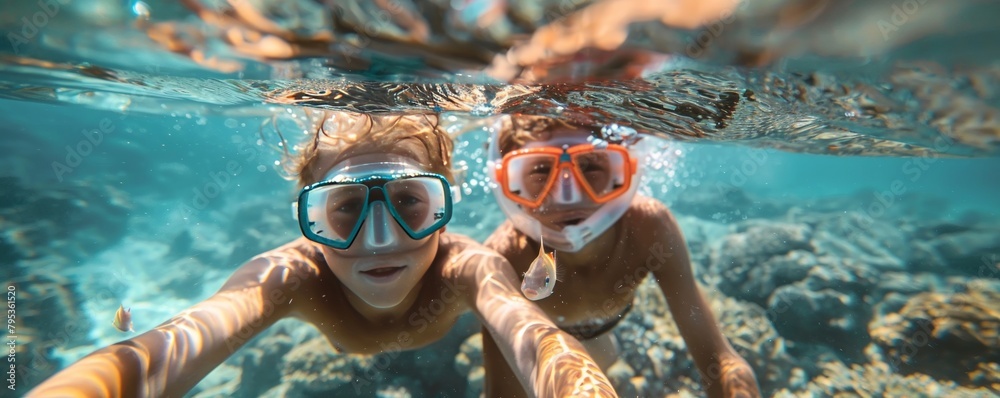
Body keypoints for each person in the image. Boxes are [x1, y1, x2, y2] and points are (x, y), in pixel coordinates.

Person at [28, 113, 616, 398]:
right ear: (309, 223)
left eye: (411, 204)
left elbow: (536, 340)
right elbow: (160, 354)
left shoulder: (469, 267)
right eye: (344, 209)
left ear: (444, 209)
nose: (380, 238)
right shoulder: (288, 276)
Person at [480, 115, 761, 397]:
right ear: (508, 183)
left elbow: (718, 357)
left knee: (604, 355)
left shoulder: (650, 227)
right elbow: (502, 391)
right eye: (540, 170)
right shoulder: (501, 257)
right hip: (548, 346)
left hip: (606, 329)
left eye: (590, 167)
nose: (567, 194)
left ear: (623, 174)